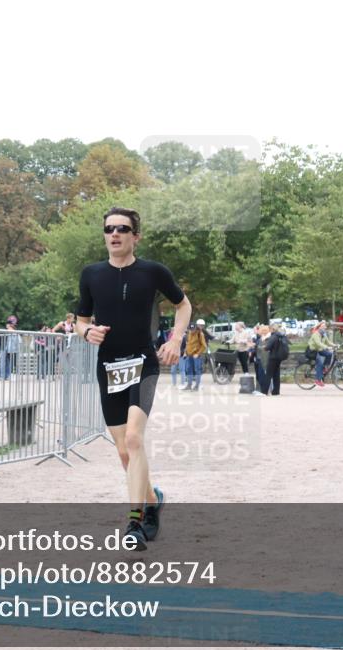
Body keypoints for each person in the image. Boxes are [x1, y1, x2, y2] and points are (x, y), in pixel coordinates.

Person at [76, 206, 191, 551]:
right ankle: (153, 499)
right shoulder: (91, 274)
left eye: (122, 229)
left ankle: (135, 523)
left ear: (135, 236)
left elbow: (183, 305)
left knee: (135, 440)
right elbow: (81, 318)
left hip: (143, 364)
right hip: (109, 368)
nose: (115, 234)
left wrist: (175, 340)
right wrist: (87, 332)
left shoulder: (153, 272)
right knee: (125, 453)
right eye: (109, 228)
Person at [183, 320, 209, 391]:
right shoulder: (189, 333)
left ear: (196, 328)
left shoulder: (200, 334)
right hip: (189, 355)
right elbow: (188, 344)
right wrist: (185, 352)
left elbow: (204, 346)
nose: (192, 331)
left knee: (197, 370)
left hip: (196, 355)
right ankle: (189, 385)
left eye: (193, 329)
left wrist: (197, 354)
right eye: (190, 329)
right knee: (188, 370)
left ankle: (197, 386)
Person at [308, 322, 335, 387]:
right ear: (319, 327)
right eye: (323, 326)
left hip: (319, 349)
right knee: (319, 363)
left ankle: (324, 367)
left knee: (329, 354)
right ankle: (318, 380)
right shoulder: (316, 334)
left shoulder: (324, 334)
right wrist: (327, 347)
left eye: (325, 326)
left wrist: (335, 345)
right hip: (313, 350)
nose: (325, 327)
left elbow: (328, 342)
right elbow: (318, 343)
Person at [263, 323, 286, 396]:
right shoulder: (281, 336)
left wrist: (264, 347)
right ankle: (276, 391)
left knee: (268, 375)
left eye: (270, 329)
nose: (269, 330)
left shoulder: (273, 336)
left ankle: (264, 391)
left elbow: (268, 347)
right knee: (276, 375)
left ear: (272, 329)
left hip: (272, 357)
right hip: (279, 357)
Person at [0, 316, 19, 380]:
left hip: (8, 348)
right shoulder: (5, 330)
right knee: (3, 362)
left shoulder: (12, 330)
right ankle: (2, 376)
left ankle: (6, 375)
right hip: (4, 347)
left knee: (7, 362)